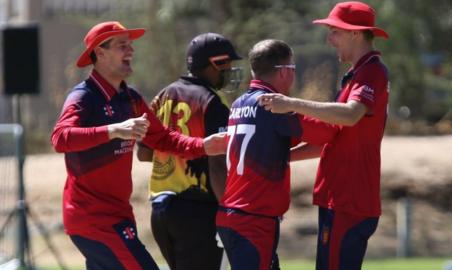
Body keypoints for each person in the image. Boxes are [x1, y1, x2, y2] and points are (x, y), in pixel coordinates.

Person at [50, 21, 225, 270]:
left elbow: (162, 138)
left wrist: (204, 146)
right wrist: (113, 131)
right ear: (100, 53)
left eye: (130, 45)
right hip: (94, 220)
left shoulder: (131, 98)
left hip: (118, 215)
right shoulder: (83, 96)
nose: (131, 51)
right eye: (122, 46)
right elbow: (60, 138)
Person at [258, 2, 390, 269]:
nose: (330, 39)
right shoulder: (357, 74)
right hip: (340, 198)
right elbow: (332, 139)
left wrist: (292, 103)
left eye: (335, 31)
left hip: (348, 200)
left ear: (355, 33)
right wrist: (283, 157)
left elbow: (351, 114)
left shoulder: (371, 71)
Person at [216, 39, 336, 270]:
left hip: (232, 215)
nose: (294, 75)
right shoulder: (272, 105)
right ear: (282, 72)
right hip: (254, 220)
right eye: (293, 69)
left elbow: (291, 143)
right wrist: (298, 104)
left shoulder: (239, 103)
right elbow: (329, 132)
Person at [136, 32, 242, 270]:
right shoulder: (211, 103)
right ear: (214, 64)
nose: (229, 70)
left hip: (160, 212)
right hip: (196, 212)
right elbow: (216, 163)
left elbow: (143, 153)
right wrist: (229, 210)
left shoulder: (162, 95)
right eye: (227, 64)